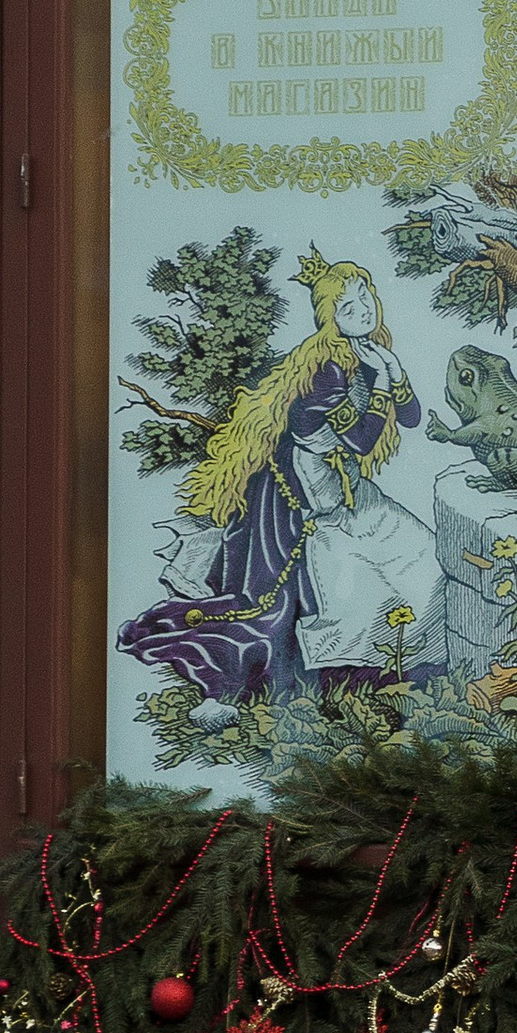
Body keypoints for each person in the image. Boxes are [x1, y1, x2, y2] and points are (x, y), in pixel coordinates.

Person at [119, 252, 441, 719]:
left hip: (342, 481)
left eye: (366, 296)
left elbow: (408, 419)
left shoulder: (369, 351)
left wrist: (391, 369)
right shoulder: (327, 368)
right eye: (348, 307)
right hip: (304, 490)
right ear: (330, 318)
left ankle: (401, 657)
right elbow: (362, 440)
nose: (364, 310)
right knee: (312, 592)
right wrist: (387, 379)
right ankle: (331, 674)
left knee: (416, 552)